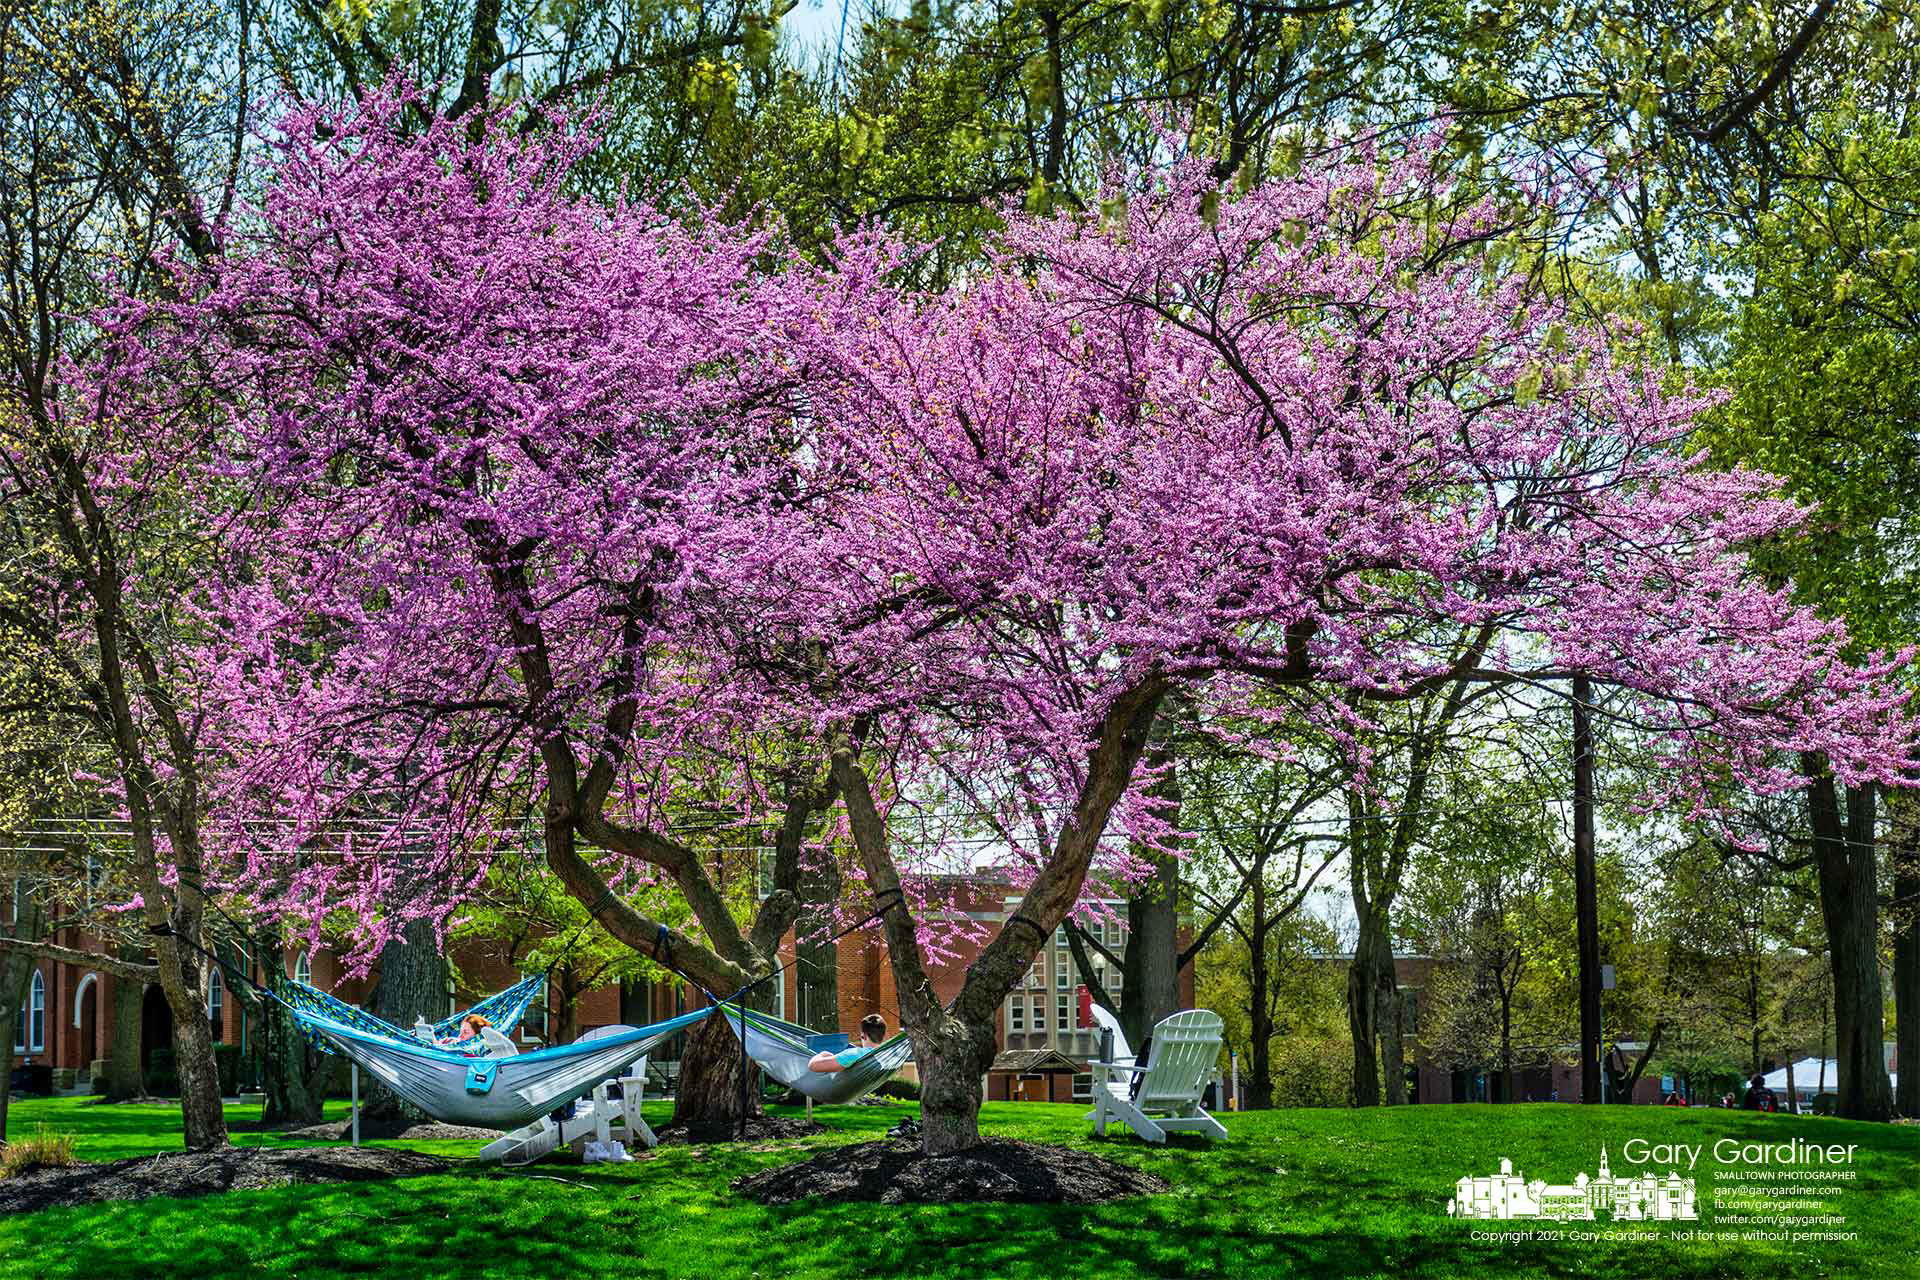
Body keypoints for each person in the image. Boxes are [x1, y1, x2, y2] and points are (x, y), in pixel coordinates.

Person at [809, 1014, 887, 1072]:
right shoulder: (885, 1055)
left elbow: (813, 1066)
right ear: (883, 1036)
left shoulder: (855, 1054)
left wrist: (823, 1054)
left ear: (864, 1035)